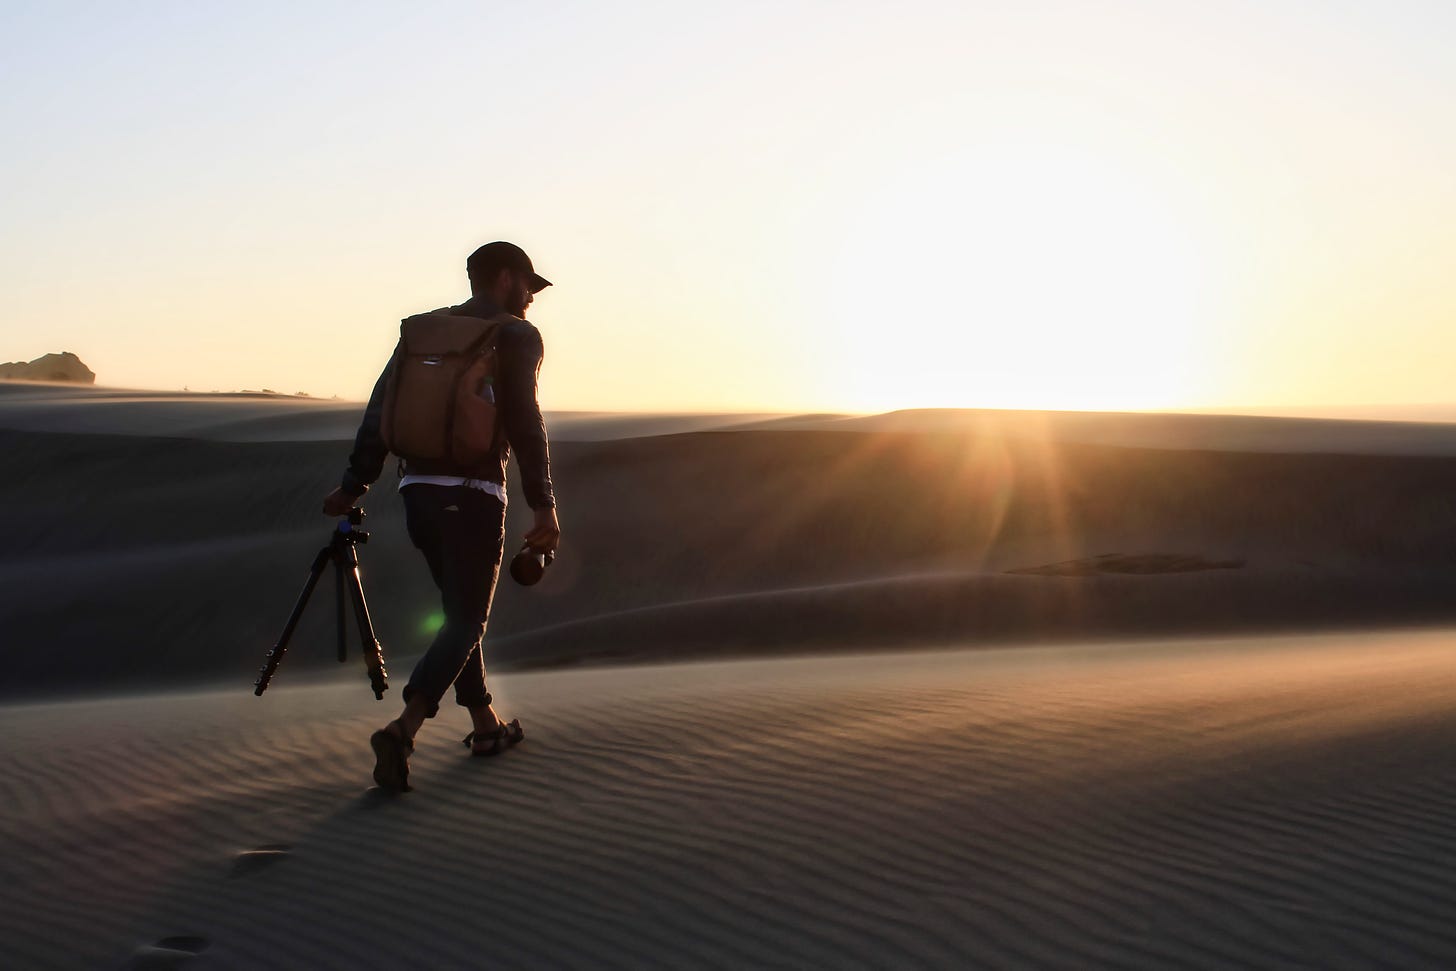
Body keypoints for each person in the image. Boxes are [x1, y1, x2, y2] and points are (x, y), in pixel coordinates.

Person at [322, 241, 562, 792]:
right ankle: (403, 729)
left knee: (457, 612)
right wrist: (544, 502)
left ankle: (484, 725)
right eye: (528, 285)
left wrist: (354, 485)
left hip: (417, 493)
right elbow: (525, 421)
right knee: (468, 621)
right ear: (504, 279)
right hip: (475, 494)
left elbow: (380, 409)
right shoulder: (515, 335)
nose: (531, 298)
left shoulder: (423, 331)